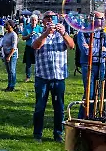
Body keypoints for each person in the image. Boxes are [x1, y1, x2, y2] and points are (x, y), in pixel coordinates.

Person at [32, 11, 75, 142]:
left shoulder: (62, 34)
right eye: (47, 18)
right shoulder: (38, 33)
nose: (50, 20)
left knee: (59, 108)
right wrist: (46, 33)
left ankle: (58, 134)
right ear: (43, 21)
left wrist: (64, 33)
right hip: (42, 77)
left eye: (53, 17)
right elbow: (36, 45)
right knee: (40, 107)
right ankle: (37, 134)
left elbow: (71, 46)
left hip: (58, 77)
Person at [76, 13, 106, 119]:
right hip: (88, 65)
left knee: (100, 92)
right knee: (89, 93)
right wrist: (101, 50)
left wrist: (93, 49)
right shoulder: (83, 33)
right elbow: (86, 51)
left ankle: (95, 115)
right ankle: (84, 117)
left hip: (101, 65)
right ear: (93, 19)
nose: (103, 21)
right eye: (101, 18)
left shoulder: (103, 34)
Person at [0, 22, 19, 91]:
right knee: (8, 71)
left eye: (7, 25)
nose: (5, 26)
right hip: (6, 53)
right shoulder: (6, 33)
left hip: (12, 54)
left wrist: (9, 56)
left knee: (12, 70)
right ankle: (9, 85)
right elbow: (3, 42)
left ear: (11, 26)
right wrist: (0, 46)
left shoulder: (13, 34)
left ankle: (12, 86)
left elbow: (14, 47)